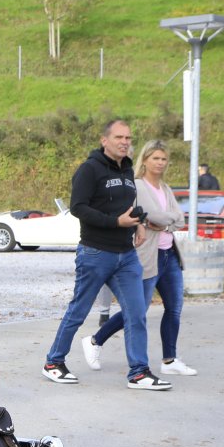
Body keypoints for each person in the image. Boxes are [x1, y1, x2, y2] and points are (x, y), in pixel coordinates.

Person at [43, 120, 171, 390]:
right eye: (119, 137)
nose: (124, 142)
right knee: (78, 311)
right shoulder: (89, 169)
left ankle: (139, 372)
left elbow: (128, 205)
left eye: (128, 138)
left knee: (136, 313)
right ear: (105, 141)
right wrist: (115, 223)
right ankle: (54, 362)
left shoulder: (127, 169)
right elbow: (78, 208)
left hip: (126, 255)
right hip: (96, 252)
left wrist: (138, 223)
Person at [79, 140, 195, 379]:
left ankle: (170, 360)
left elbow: (180, 219)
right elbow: (153, 216)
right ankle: (94, 340)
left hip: (170, 254)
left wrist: (163, 223)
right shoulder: (138, 185)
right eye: (156, 158)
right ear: (146, 159)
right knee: (137, 310)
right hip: (148, 256)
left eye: (164, 159)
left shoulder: (166, 188)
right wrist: (162, 220)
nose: (160, 163)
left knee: (174, 308)